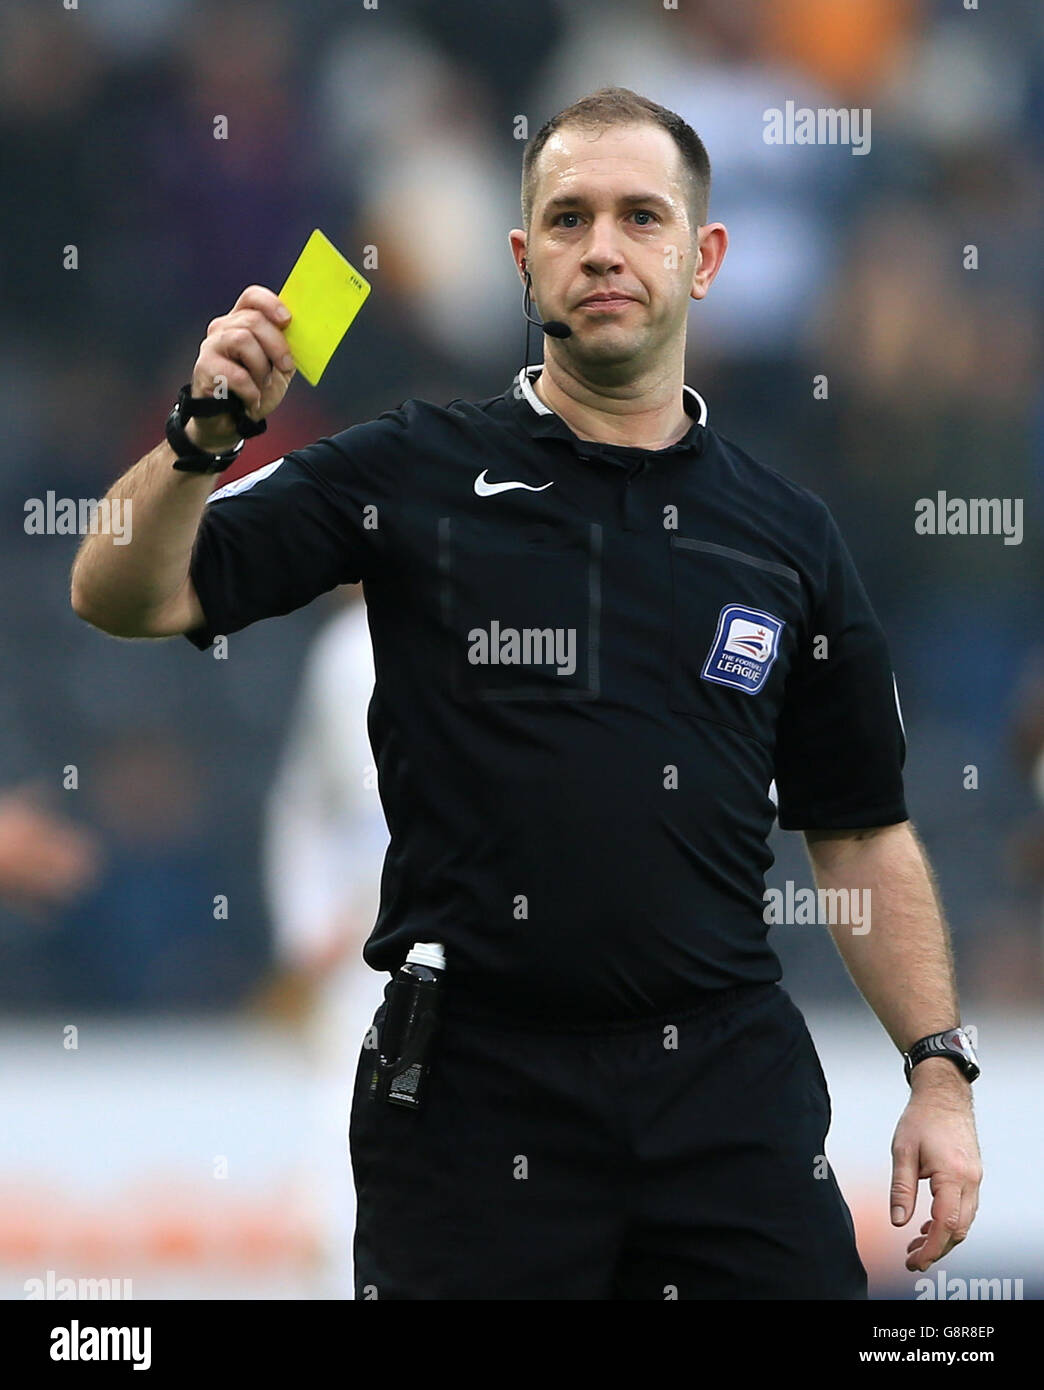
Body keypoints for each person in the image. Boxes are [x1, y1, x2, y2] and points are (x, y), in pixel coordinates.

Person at [69, 86, 982, 1300]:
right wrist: (201, 441)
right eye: (568, 218)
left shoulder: (788, 537)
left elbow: (860, 829)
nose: (602, 245)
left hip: (723, 1089)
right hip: (468, 1095)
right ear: (523, 259)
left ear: (703, 257)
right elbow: (123, 595)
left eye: (640, 216)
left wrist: (935, 1066)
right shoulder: (411, 468)